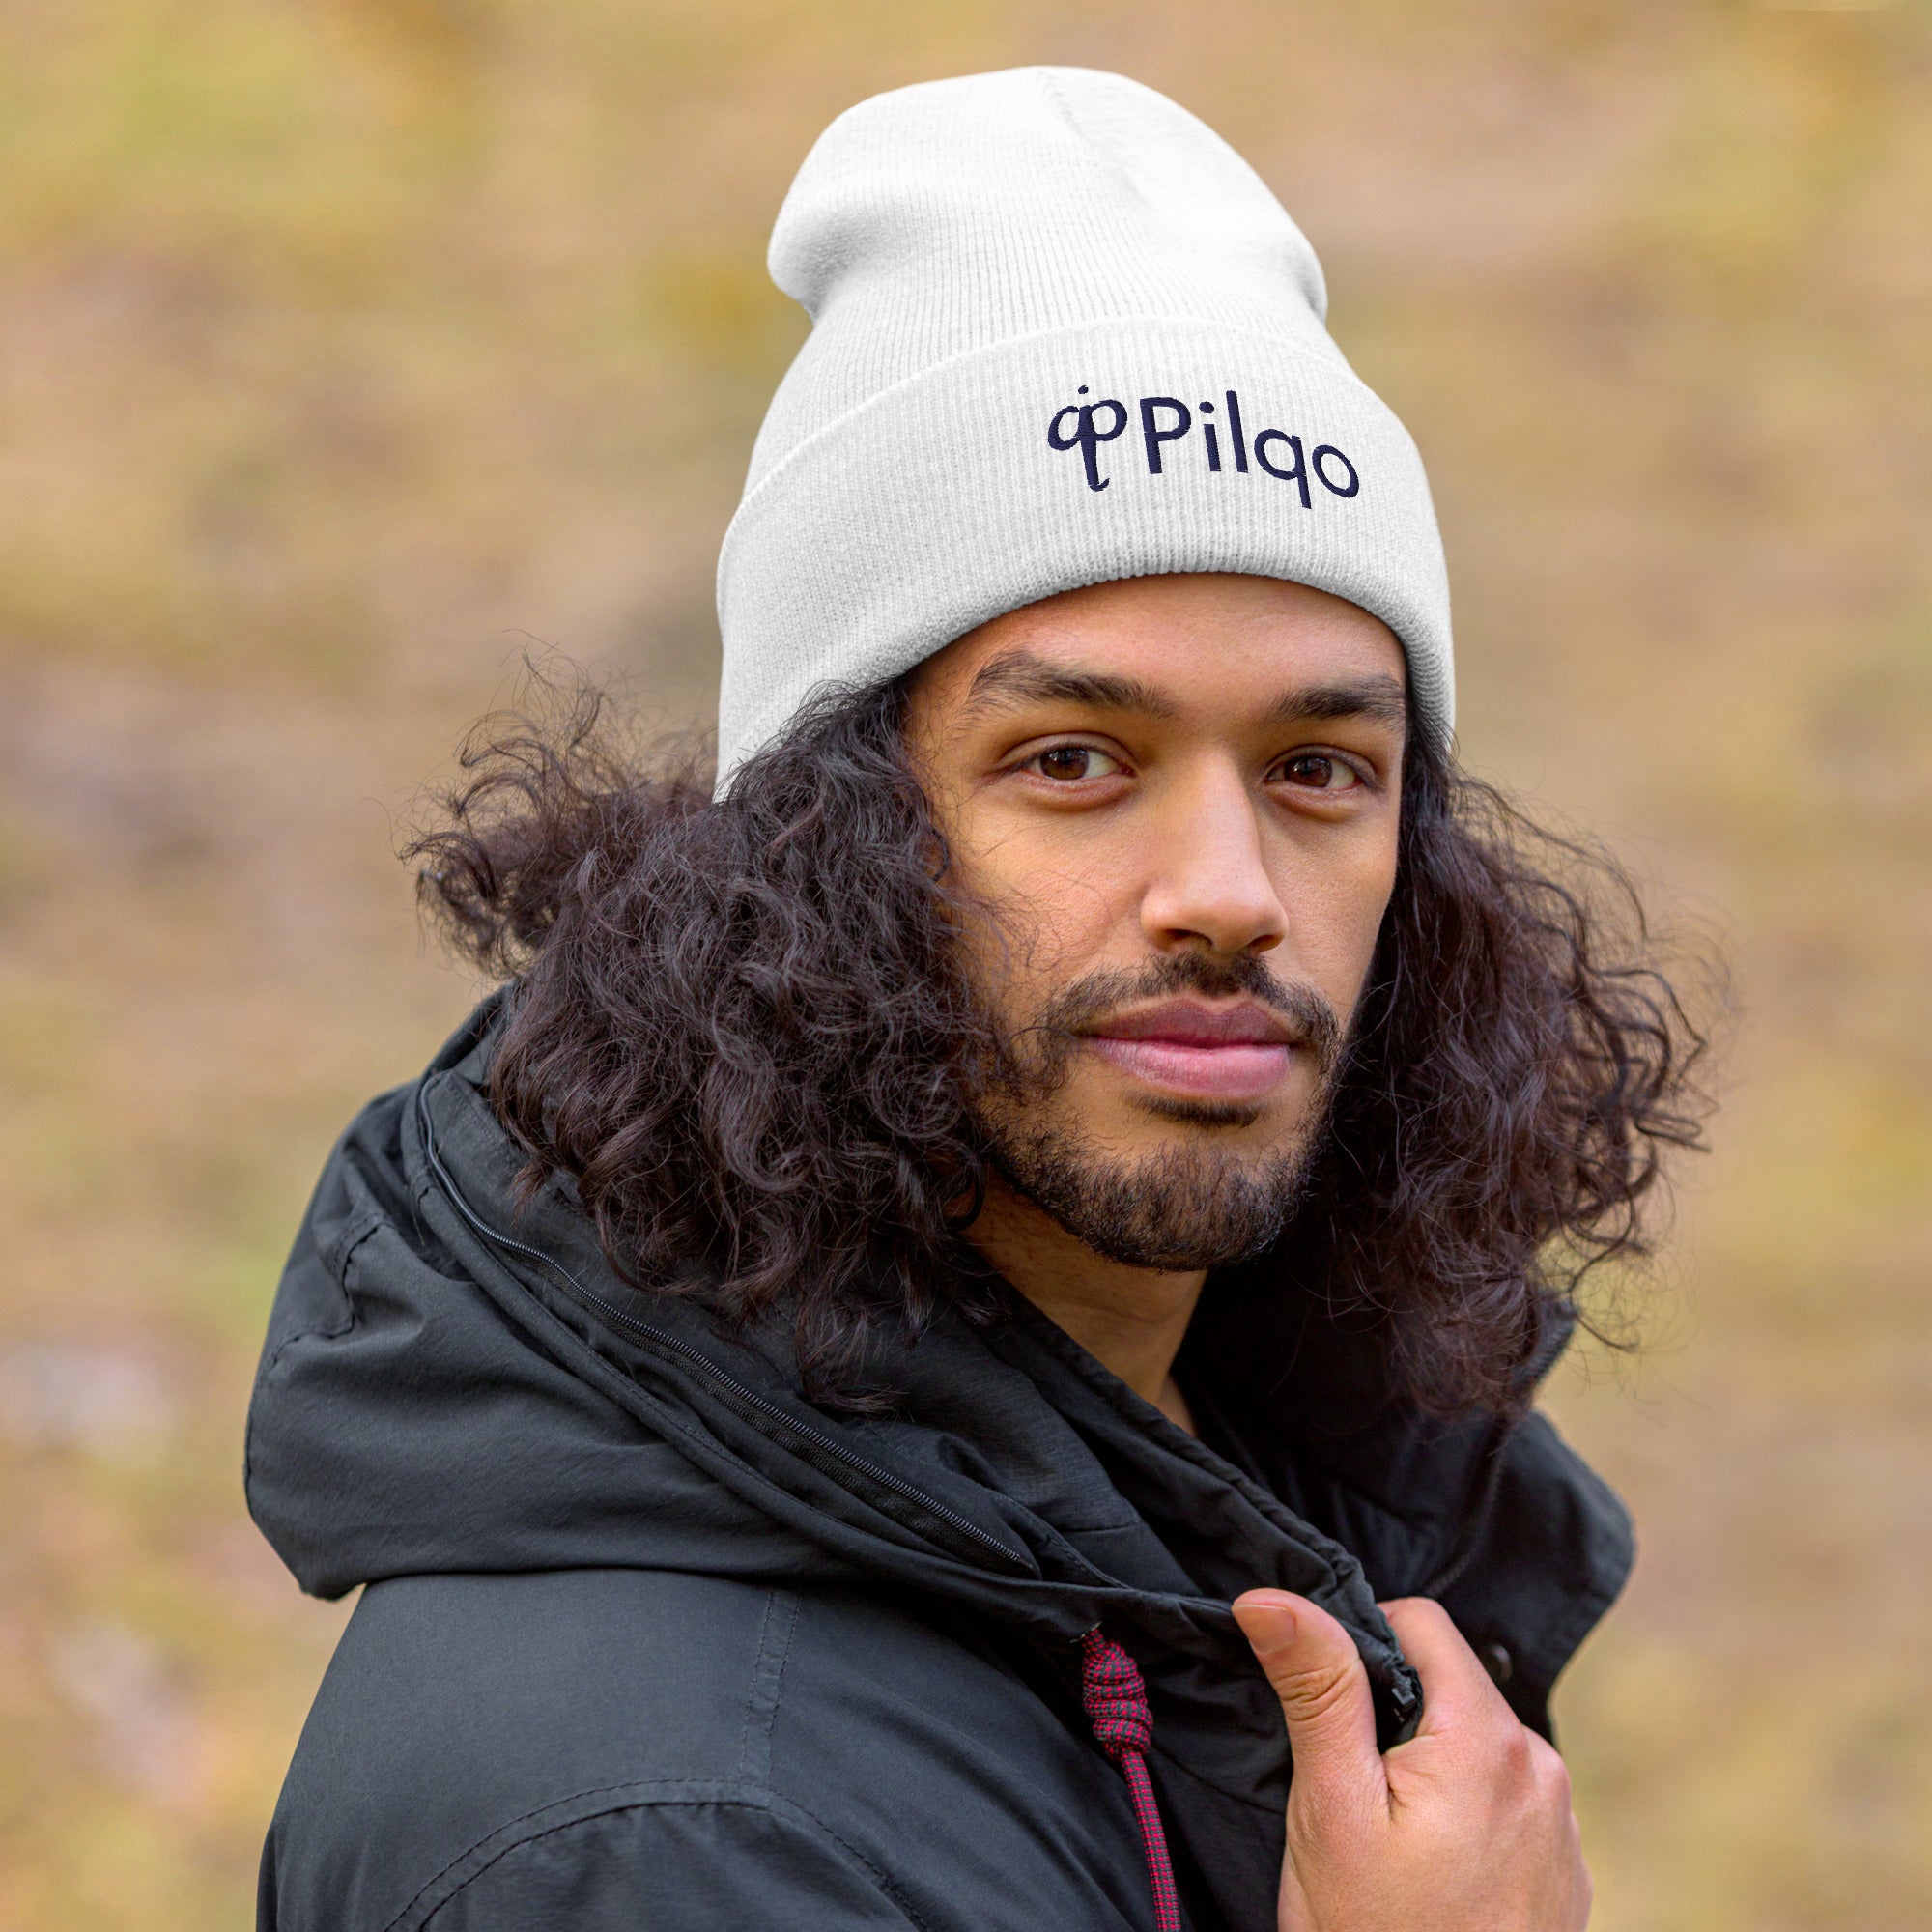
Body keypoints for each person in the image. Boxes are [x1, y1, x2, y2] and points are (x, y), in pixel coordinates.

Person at [248, 67, 1708, 1931]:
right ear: (821, 845)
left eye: (1320, 768)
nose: (1231, 897)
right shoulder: (665, 1833)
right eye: (1076, 760)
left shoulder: (1243, 1482)